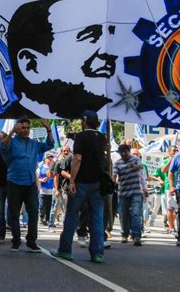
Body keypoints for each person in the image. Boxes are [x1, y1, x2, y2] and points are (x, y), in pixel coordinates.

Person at [51, 110, 106, 263]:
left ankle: (65, 250)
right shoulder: (102, 138)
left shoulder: (81, 137)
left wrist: (72, 180)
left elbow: (77, 159)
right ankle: (97, 253)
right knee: (97, 217)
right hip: (98, 182)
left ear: (84, 121)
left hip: (82, 181)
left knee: (72, 215)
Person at [0, 117, 54, 252]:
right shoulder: (11, 142)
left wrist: (48, 129)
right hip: (14, 183)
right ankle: (16, 241)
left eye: (27, 128)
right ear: (18, 129)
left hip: (30, 184)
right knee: (14, 214)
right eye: (23, 128)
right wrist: (12, 131)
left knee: (34, 212)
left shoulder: (34, 144)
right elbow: (2, 146)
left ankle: (31, 241)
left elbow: (50, 145)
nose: (25, 130)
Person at [113, 144, 145, 246]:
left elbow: (141, 166)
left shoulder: (135, 159)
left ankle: (136, 236)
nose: (123, 154)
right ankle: (124, 234)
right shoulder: (117, 163)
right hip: (123, 192)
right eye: (121, 153)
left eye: (125, 152)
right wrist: (112, 181)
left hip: (135, 192)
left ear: (128, 151)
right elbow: (114, 176)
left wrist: (134, 166)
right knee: (123, 214)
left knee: (136, 214)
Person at [49, 146, 72, 232]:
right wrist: (56, 189)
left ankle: (65, 226)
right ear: (61, 152)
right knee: (55, 207)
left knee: (65, 208)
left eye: (67, 151)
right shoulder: (58, 163)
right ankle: (51, 224)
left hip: (66, 189)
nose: (66, 152)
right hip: (58, 188)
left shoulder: (70, 163)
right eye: (64, 151)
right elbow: (56, 177)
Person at [38, 153, 55, 226]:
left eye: (51, 159)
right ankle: (41, 217)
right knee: (42, 206)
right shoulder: (41, 167)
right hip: (43, 190)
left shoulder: (54, 168)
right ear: (45, 159)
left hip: (51, 191)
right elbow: (36, 178)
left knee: (49, 206)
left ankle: (47, 219)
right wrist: (42, 180)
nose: (49, 160)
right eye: (48, 159)